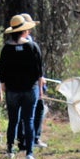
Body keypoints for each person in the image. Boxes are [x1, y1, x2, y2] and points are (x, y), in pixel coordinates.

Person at [0, 14, 44, 159]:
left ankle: (10, 149)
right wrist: (40, 89)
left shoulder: (6, 48)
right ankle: (29, 153)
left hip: (12, 90)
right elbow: (39, 70)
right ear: (24, 30)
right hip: (30, 89)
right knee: (29, 120)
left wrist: (3, 86)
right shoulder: (32, 46)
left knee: (13, 120)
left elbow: (2, 70)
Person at [14, 14, 48, 150]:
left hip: (30, 82)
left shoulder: (19, 41)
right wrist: (39, 80)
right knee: (36, 109)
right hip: (31, 84)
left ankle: (28, 139)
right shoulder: (26, 43)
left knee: (29, 111)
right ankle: (31, 138)